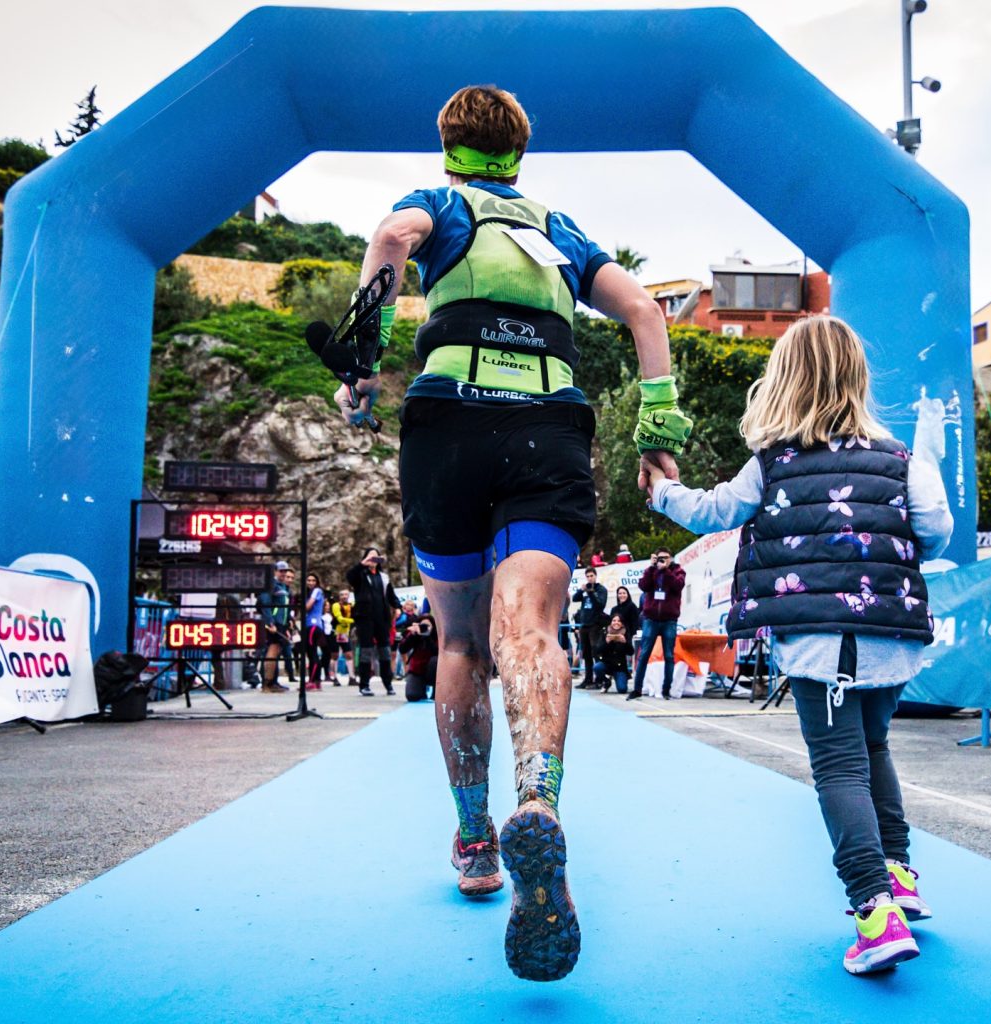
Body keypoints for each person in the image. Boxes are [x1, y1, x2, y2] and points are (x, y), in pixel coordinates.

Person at [332, 84, 691, 982]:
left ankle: (476, 837)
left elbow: (388, 241)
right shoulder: (559, 229)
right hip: (548, 421)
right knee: (529, 623)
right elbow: (647, 313)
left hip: (450, 419)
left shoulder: (442, 207)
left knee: (460, 638)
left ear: (449, 142)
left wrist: (362, 364)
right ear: (520, 152)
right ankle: (542, 797)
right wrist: (657, 434)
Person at [642, 315, 952, 975]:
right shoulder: (902, 460)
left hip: (819, 642)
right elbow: (938, 531)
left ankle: (873, 911)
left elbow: (713, 513)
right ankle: (898, 877)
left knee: (838, 767)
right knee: (873, 749)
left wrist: (662, 488)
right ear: (857, 380)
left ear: (786, 382)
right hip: (891, 638)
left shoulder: (773, 464)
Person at [628, 550, 686, 701]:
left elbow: (678, 586)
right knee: (644, 654)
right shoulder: (651, 571)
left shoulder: (678, 571)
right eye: (660, 558)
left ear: (671, 559)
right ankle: (637, 689)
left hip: (669, 620)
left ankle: (666, 689)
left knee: (668, 655)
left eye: (665, 558)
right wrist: (652, 568)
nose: (662, 560)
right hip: (651, 618)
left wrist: (665, 570)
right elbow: (643, 586)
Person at [346, 547, 401, 696]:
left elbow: (391, 594)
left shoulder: (383, 577)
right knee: (366, 650)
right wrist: (362, 564)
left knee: (385, 651)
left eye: (376, 557)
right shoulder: (360, 576)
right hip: (365, 618)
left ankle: (388, 684)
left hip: (381, 618)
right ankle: (364, 685)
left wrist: (397, 606)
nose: (373, 560)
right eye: (370, 557)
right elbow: (350, 577)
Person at [256, 561, 291, 693]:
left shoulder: (283, 587)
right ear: (275, 571)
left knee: (276, 653)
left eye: (284, 571)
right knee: (272, 651)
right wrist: (270, 623)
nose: (283, 573)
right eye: (280, 571)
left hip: (281, 624)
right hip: (273, 624)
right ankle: (267, 683)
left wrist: (287, 624)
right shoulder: (271, 585)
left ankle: (273, 682)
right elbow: (265, 604)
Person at [572, 567, 608, 689]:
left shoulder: (601, 589)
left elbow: (600, 605)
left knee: (596, 652)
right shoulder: (586, 589)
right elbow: (575, 599)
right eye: (587, 576)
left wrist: (592, 593)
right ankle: (588, 679)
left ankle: (600, 679)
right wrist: (581, 590)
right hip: (584, 625)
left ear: (596, 576)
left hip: (595, 625)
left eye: (591, 576)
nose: (589, 578)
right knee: (586, 653)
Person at [400, 613, 438, 702]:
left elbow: (437, 652)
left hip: (435, 670)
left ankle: (436, 691)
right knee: (412, 696)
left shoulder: (438, 636)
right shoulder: (414, 635)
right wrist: (412, 636)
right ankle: (421, 689)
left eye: (427, 625)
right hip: (417, 670)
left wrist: (428, 637)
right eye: (422, 625)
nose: (424, 628)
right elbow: (402, 649)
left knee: (435, 661)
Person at [594, 613, 633, 694]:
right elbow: (597, 650)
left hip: (619, 666)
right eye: (614, 620)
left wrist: (625, 642)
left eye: (619, 621)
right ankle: (606, 681)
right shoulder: (605, 631)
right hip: (606, 663)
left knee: (622, 689)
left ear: (622, 623)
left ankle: (619, 678)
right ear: (611, 622)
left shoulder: (626, 632)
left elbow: (631, 652)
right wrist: (606, 642)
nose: (616, 623)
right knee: (597, 667)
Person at [304, 572, 328, 689]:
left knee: (312, 653)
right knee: (312, 653)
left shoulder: (316, 591)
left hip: (312, 624)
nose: (311, 583)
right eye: (308, 580)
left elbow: (308, 606)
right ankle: (316, 681)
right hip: (312, 624)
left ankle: (313, 681)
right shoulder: (309, 593)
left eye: (313, 580)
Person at [331, 589, 355, 684]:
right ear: (339, 596)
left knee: (349, 655)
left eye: (346, 594)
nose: (344, 596)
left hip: (345, 633)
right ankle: (335, 677)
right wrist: (353, 621)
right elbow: (339, 618)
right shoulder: (336, 605)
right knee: (335, 655)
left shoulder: (351, 605)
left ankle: (351, 677)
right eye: (342, 595)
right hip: (335, 632)